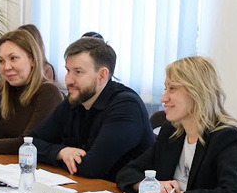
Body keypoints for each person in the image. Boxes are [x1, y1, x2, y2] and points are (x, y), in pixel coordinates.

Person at [115, 56, 237, 193]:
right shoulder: (171, 132)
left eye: (172, 89)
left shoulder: (227, 138)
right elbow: (127, 172)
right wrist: (152, 186)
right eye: (165, 88)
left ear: (197, 92)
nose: (163, 98)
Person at [31, 36, 154, 180]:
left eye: (78, 72)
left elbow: (92, 168)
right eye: (68, 70)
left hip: (120, 191)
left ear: (102, 76)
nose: (68, 80)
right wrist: (61, 152)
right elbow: (30, 143)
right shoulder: (76, 99)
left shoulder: (126, 107)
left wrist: (54, 155)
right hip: (84, 187)